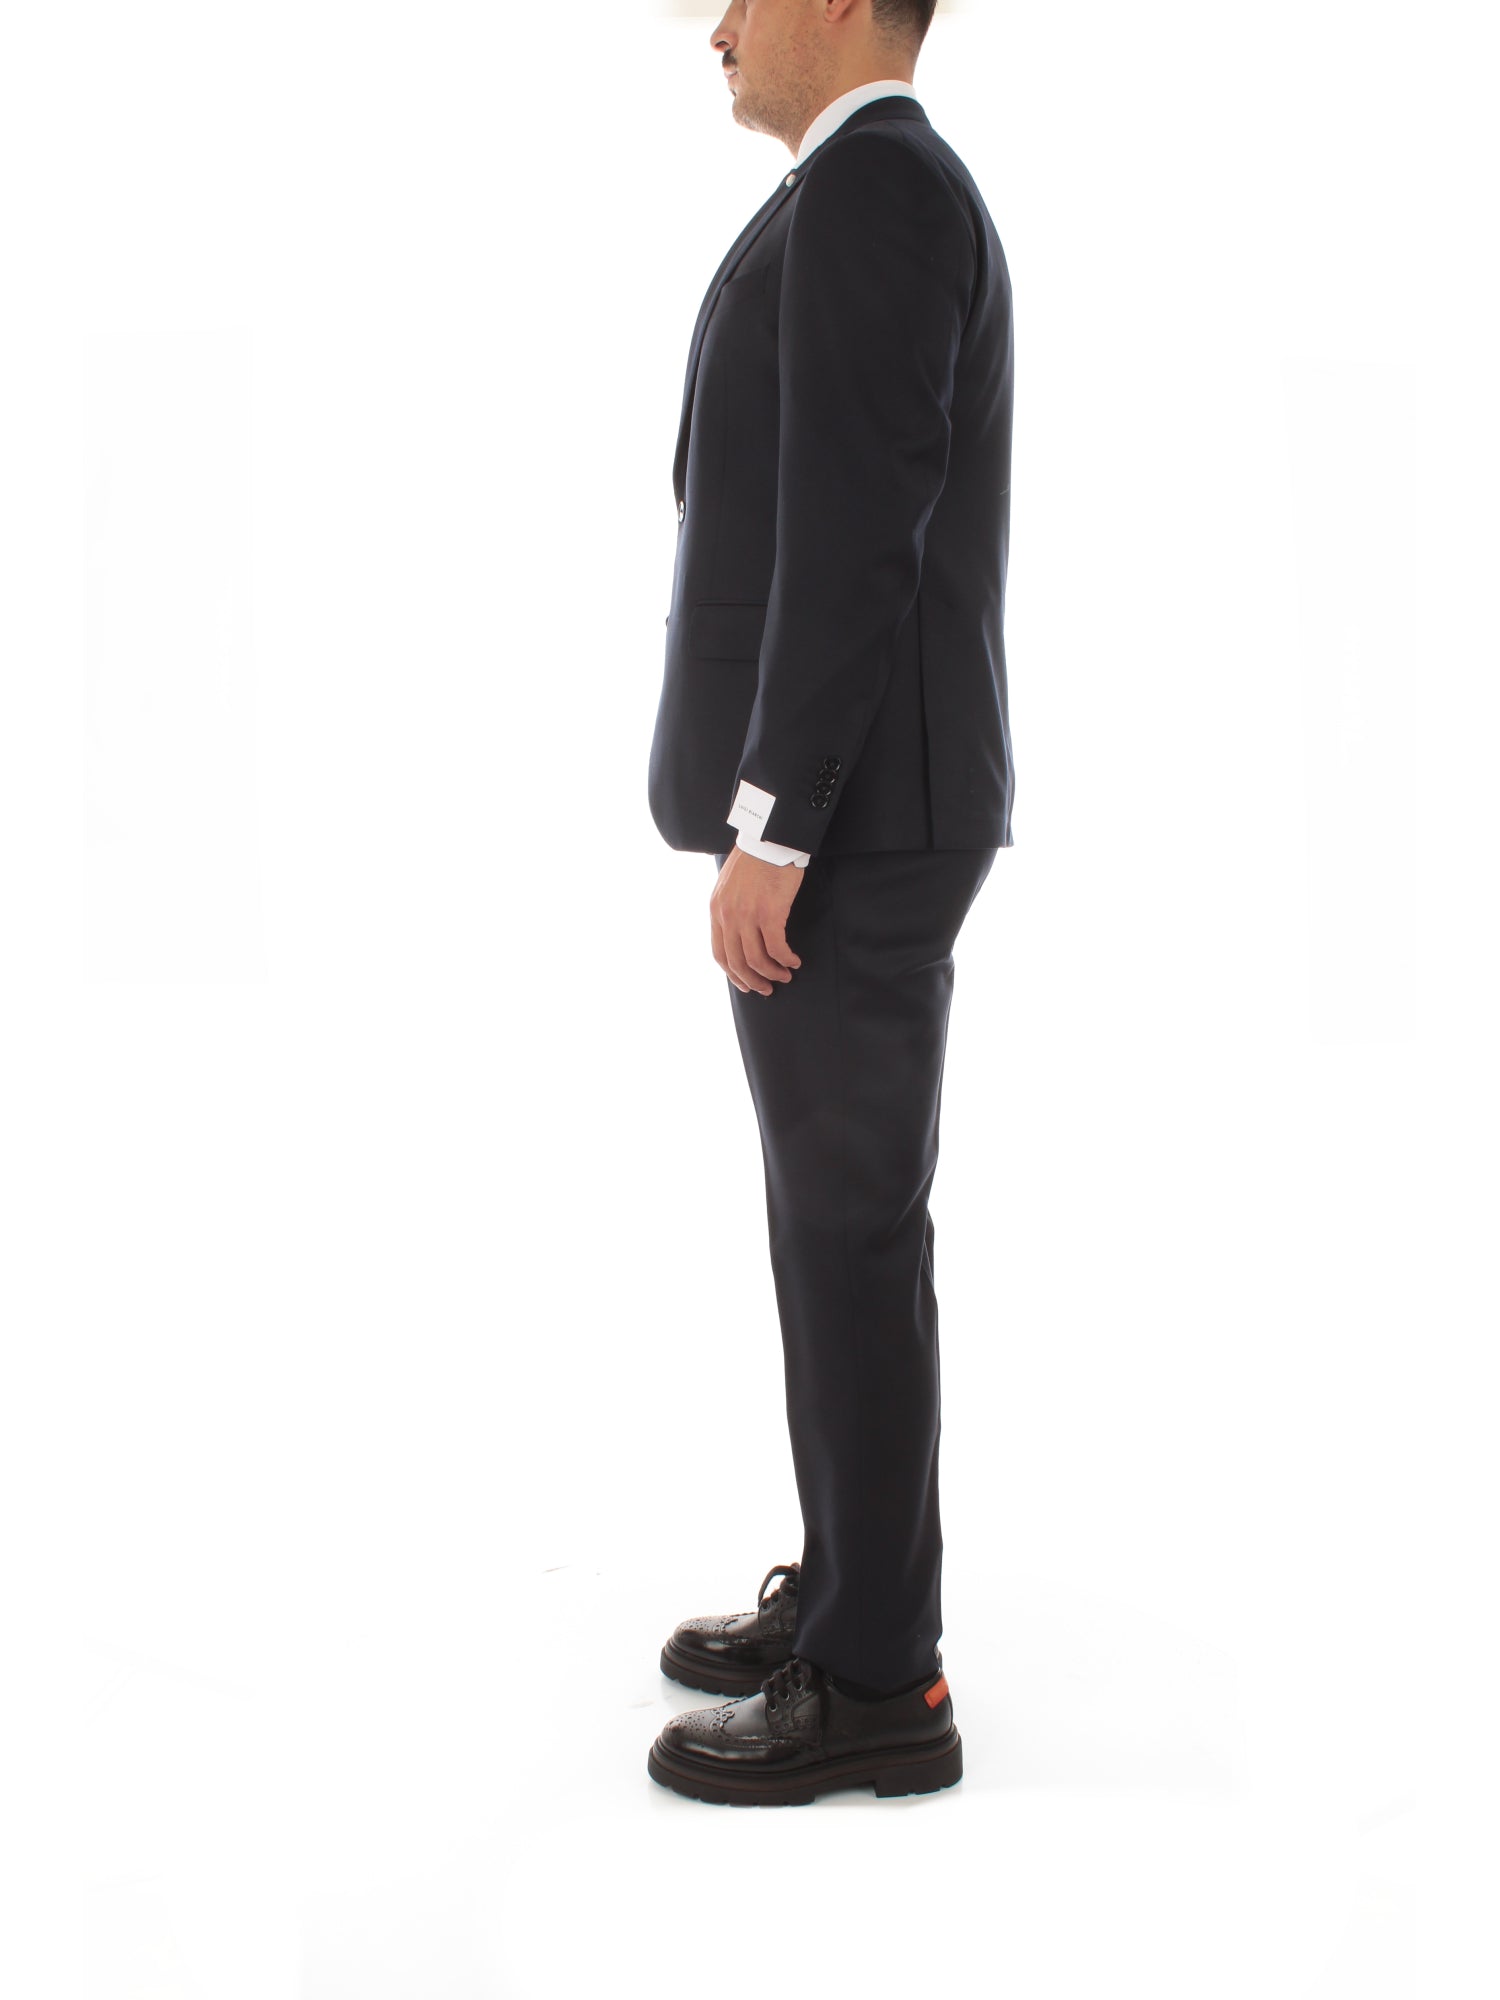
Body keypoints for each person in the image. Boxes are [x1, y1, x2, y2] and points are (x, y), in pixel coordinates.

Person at [644, 0, 1016, 1806]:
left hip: (856, 827)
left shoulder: (881, 190)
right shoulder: (853, 190)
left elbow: (861, 528)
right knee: (834, 1233)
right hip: (859, 813)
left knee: (851, 1234)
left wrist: (776, 825)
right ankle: (858, 1595)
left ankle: (880, 1683)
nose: (715, 24)